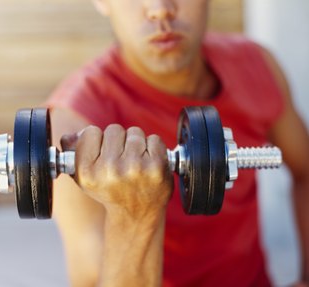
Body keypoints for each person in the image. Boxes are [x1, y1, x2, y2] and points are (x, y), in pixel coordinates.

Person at [45, 0, 309, 286]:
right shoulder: (71, 132)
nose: (160, 9)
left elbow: (305, 170)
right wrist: (136, 214)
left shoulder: (255, 65)